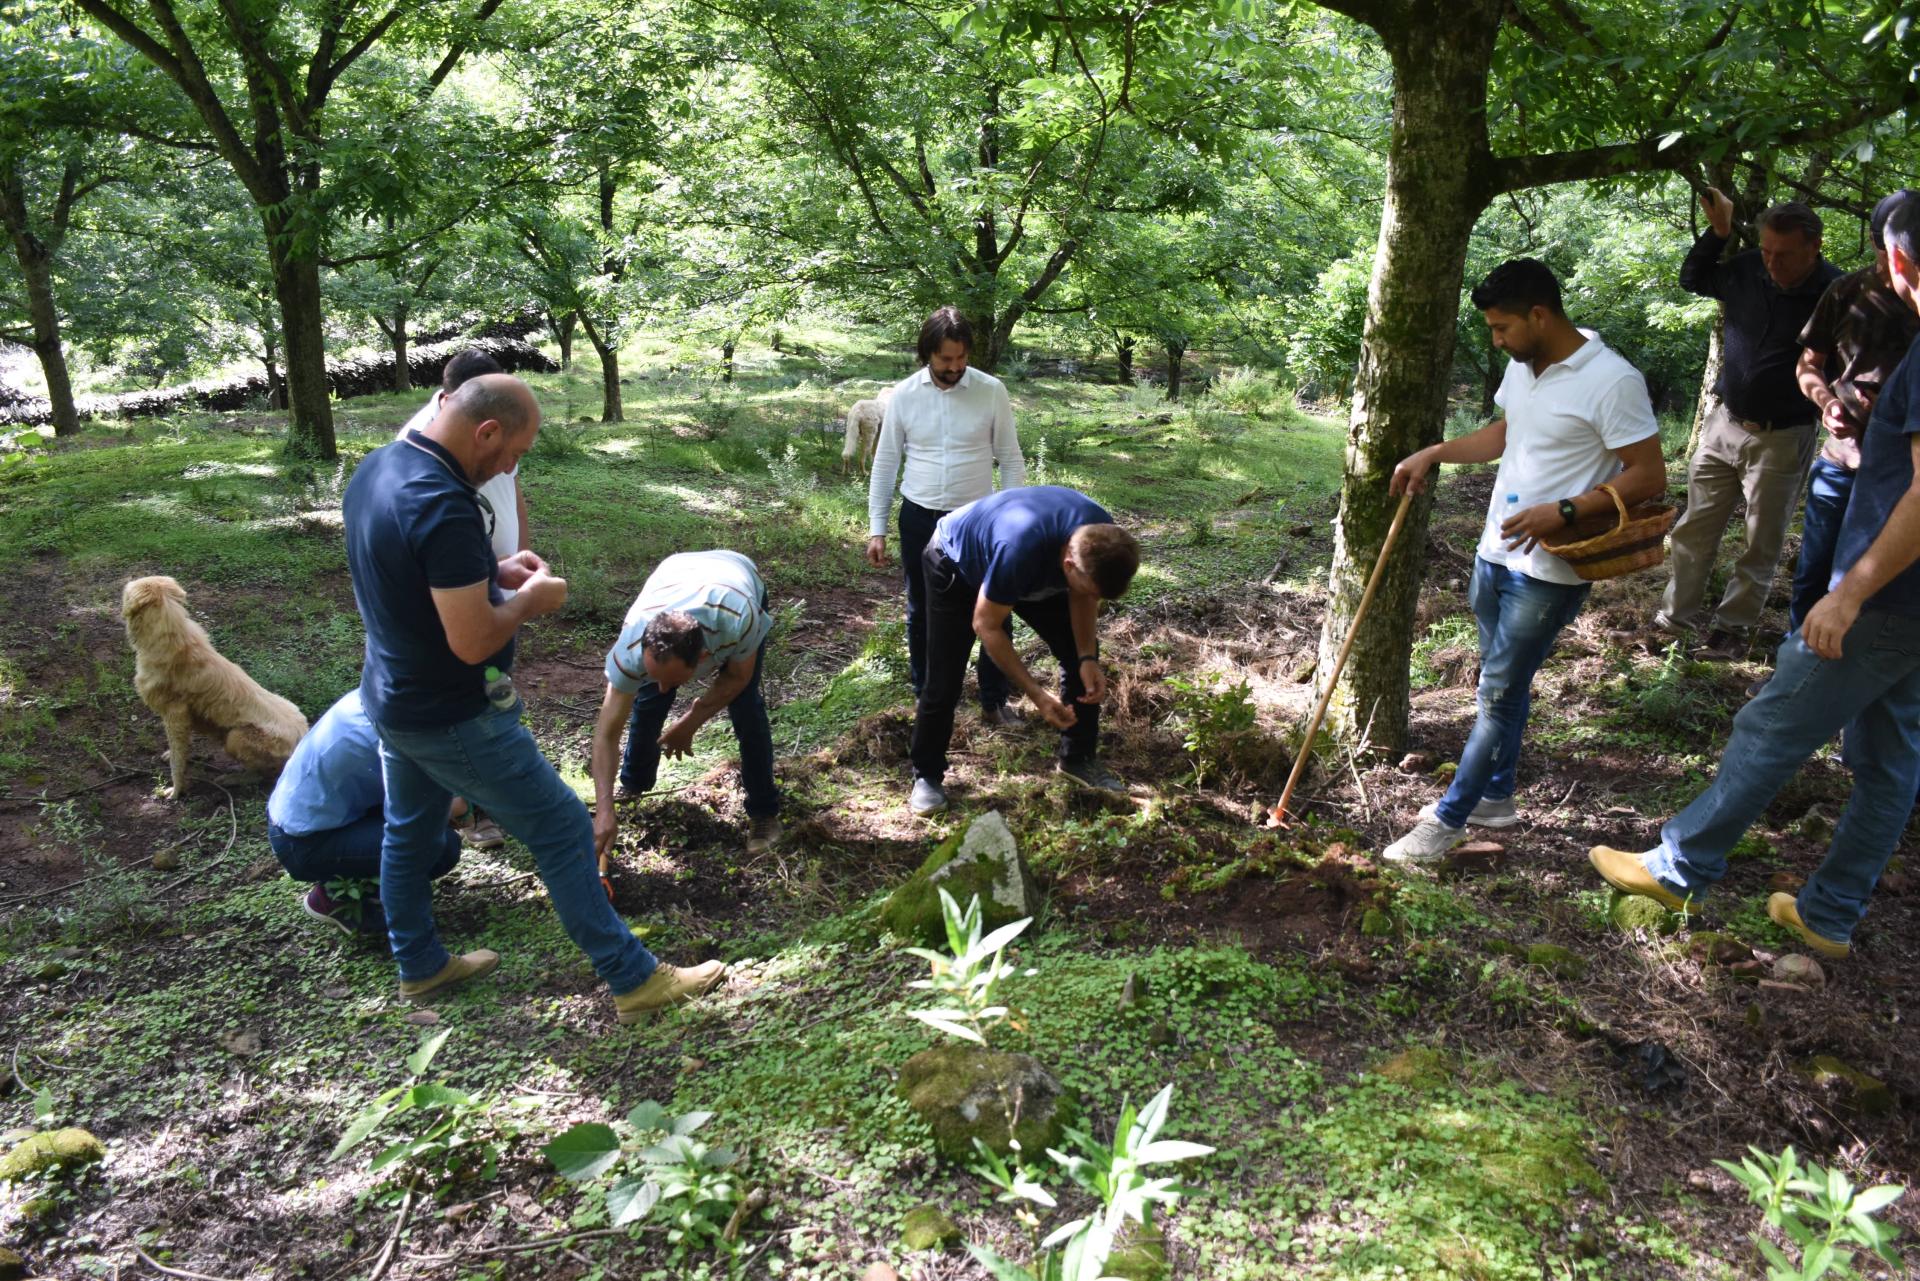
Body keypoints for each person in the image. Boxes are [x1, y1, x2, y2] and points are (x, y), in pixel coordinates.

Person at [1590, 196, 1920, 961]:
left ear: (1896, 259)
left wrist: (1850, 592)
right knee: (1889, 758)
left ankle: (1677, 867)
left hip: (1889, 597)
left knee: (1772, 724)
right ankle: (1829, 915)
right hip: (1903, 603)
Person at [343, 373, 724, 1020]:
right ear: (484, 431)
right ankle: (634, 979)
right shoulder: (445, 502)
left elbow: (412, 573)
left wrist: (488, 572)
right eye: (512, 453)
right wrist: (527, 601)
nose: (511, 466)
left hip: (390, 697)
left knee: (408, 830)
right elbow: (469, 640)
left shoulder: (380, 468)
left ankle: (420, 966)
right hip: (452, 712)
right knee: (563, 826)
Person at [1383, 258, 1664, 863]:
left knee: (1498, 692)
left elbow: (1649, 474)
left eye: (1503, 327)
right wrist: (1433, 452)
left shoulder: (1613, 381)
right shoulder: (1525, 366)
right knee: (1501, 685)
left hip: (1551, 567)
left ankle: (1447, 820)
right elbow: (1505, 434)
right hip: (1495, 553)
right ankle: (1497, 797)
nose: (1497, 340)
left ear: (1540, 315)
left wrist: (1563, 510)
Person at [1655, 193, 1841, 660]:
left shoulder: (1836, 291)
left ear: (1814, 247)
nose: (1773, 262)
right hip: (1724, 424)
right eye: (1767, 251)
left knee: (1761, 539)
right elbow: (1692, 278)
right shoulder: (1745, 269)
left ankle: (1731, 631)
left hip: (1783, 434)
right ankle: (1673, 620)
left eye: (1785, 254)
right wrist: (1718, 233)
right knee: (1694, 528)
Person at [906, 484, 1139, 816]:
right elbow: (987, 624)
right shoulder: (1019, 549)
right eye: (1088, 587)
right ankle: (926, 775)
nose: (1091, 595)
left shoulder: (1102, 537)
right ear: (1069, 566)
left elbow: (1085, 595)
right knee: (944, 679)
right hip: (956, 563)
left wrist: (1086, 656)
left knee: (1079, 658)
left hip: (1033, 562)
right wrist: (1036, 694)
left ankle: (1079, 759)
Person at [865, 307, 1028, 722]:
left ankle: (995, 698)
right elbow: (886, 463)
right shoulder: (903, 395)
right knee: (922, 609)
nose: (954, 367)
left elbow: (1010, 459)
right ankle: (928, 694)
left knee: (993, 606)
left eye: (961, 358)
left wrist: (1014, 523)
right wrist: (877, 528)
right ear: (927, 355)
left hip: (978, 520)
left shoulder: (991, 391)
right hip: (920, 517)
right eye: (945, 360)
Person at [589, 550, 781, 860]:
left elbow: (737, 678)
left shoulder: (739, 620)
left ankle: (764, 813)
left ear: (705, 658)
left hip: (735, 578)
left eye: (673, 680)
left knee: (746, 709)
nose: (665, 687)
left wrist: (689, 723)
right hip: (676, 571)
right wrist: (603, 807)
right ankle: (633, 784)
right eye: (655, 674)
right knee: (650, 700)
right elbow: (606, 734)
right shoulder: (630, 647)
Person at [1788, 190, 1920, 633]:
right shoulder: (1846, 291)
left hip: (1903, 477)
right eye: (1880, 251)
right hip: (1841, 463)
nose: (1887, 264)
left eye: (1893, 254)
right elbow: (1808, 364)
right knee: (1814, 572)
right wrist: (1825, 402)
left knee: (1885, 587)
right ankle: (1794, 659)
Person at [267, 689, 463, 938]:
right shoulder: (401, 732)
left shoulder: (385, 693)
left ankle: (364, 880)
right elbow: (447, 808)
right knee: (440, 846)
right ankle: (335, 898)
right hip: (304, 842)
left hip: (313, 817)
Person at [400, 348, 530, 567]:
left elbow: (516, 503)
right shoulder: (413, 449)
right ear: (452, 401)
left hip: (505, 587)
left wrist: (525, 569)